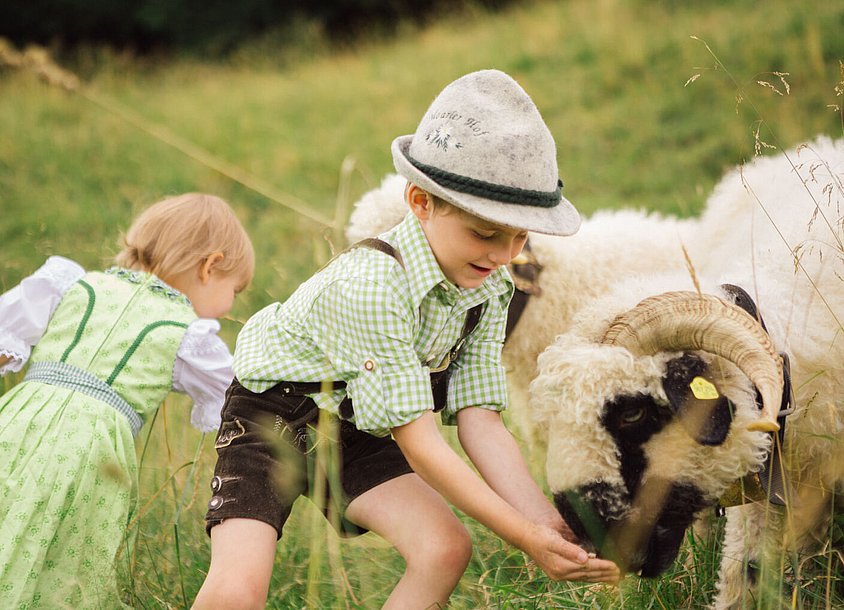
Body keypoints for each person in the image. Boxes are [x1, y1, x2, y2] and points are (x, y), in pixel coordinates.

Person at [193, 70, 619, 610]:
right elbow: (420, 443)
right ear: (420, 202)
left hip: (356, 425)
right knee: (238, 590)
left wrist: (544, 523)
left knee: (444, 549)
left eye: (519, 237)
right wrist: (523, 537)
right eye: (484, 233)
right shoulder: (373, 284)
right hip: (271, 414)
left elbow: (481, 420)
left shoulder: (491, 288)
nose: (502, 255)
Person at [0, 193, 255, 608]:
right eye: (235, 290)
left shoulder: (73, 285)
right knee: (65, 553)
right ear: (210, 266)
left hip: (18, 422)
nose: (229, 307)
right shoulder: (185, 334)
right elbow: (241, 392)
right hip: (91, 451)